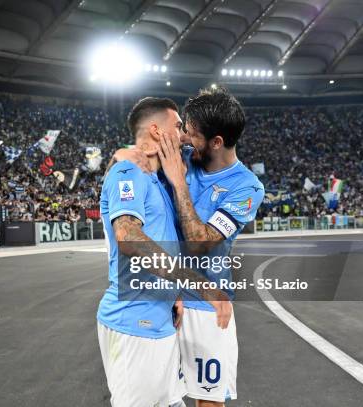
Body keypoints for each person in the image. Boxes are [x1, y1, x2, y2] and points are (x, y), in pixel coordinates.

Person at [112, 87, 265, 406]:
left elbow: (199, 242)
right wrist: (126, 153)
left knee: (207, 401)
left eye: (191, 134)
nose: (182, 139)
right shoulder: (179, 155)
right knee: (152, 398)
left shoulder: (247, 187)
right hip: (162, 301)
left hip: (206, 309)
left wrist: (178, 182)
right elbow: (131, 155)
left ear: (217, 142)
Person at [97, 97, 231, 407]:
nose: (184, 133)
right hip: (134, 321)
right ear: (157, 131)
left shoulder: (157, 180)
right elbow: (128, 237)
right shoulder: (128, 171)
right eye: (178, 126)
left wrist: (175, 294)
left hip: (160, 319)